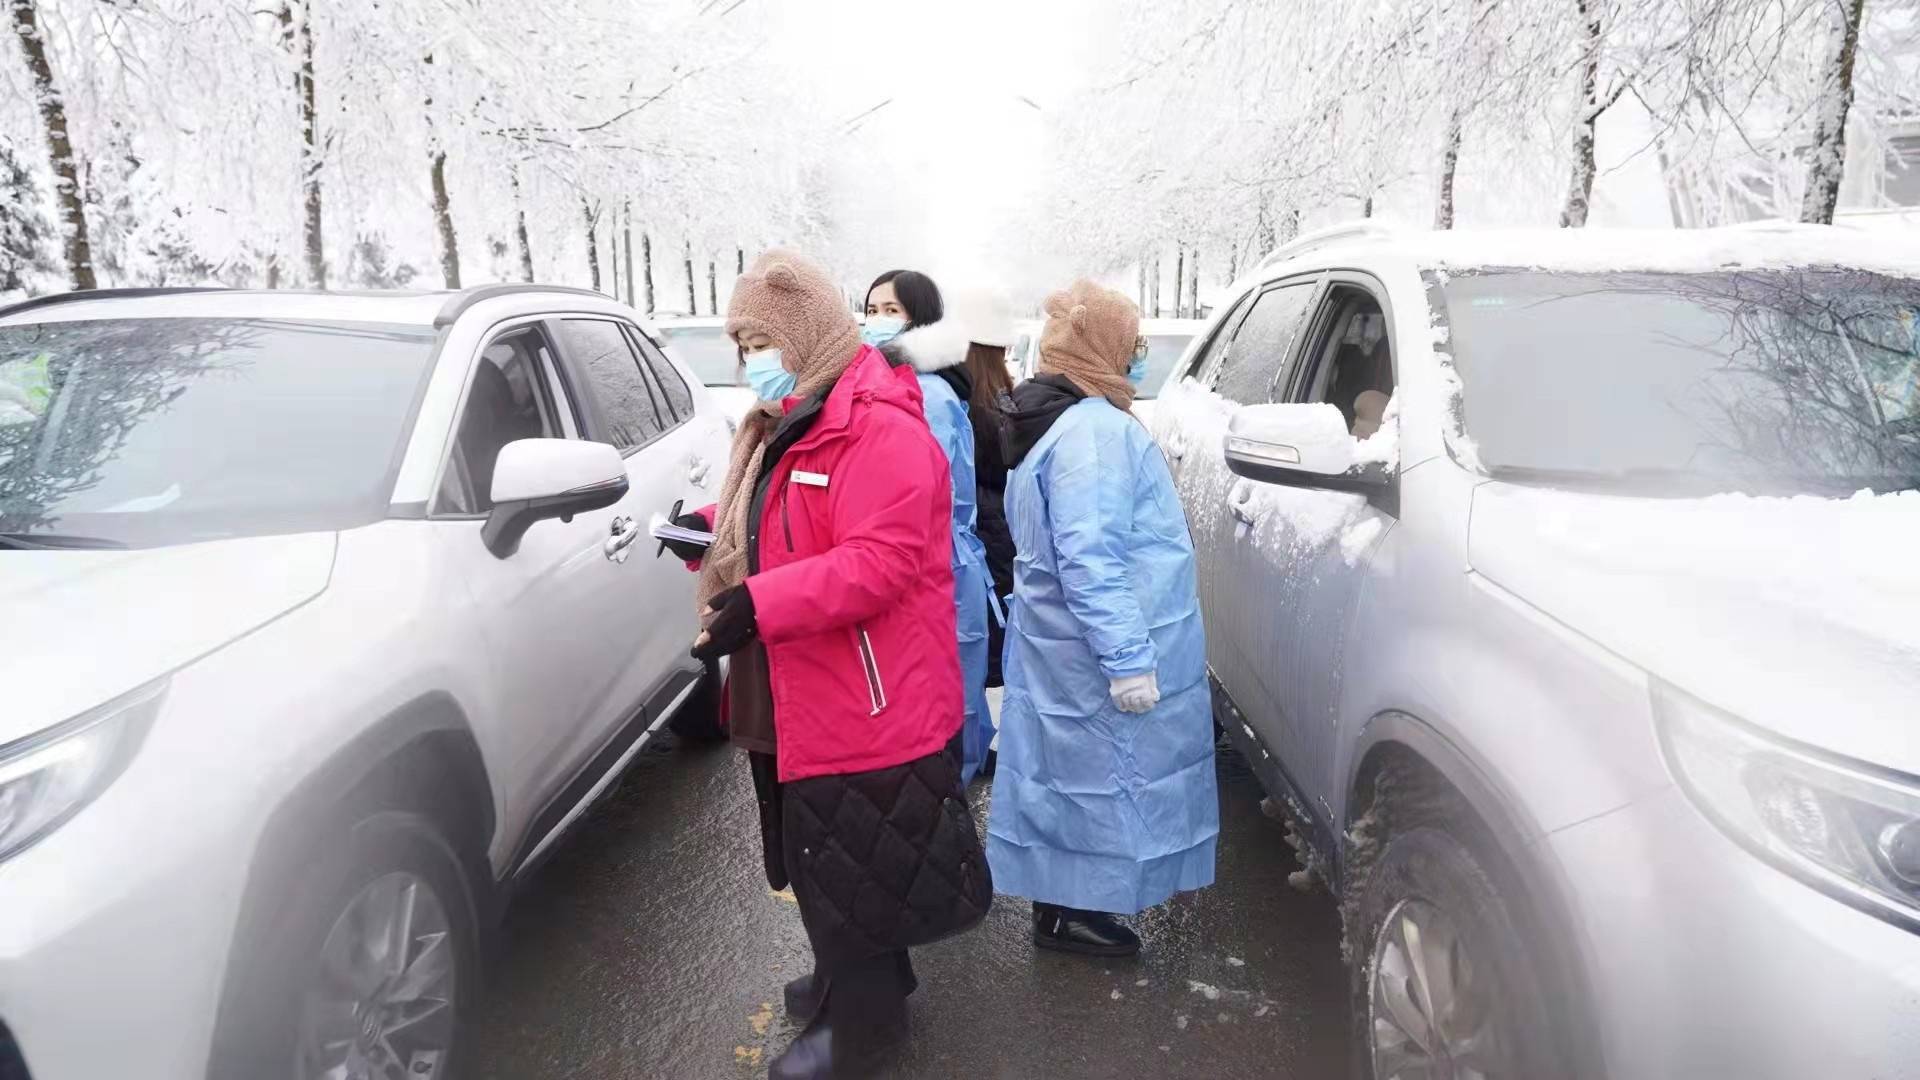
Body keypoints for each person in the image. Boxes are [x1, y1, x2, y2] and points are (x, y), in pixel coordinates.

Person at [668, 250, 991, 1079]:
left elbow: (879, 561)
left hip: (860, 690)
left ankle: (861, 1028)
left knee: (845, 853)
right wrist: (709, 525)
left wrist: (761, 602)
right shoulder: (790, 421)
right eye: (740, 345)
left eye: (762, 341)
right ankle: (856, 979)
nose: (750, 363)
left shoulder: (877, 425)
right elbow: (780, 512)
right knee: (816, 850)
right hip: (796, 676)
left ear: (808, 333)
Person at [985, 279, 1218, 958]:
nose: (1140, 357)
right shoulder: (1094, 433)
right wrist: (1128, 660)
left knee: (1071, 777)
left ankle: (1063, 908)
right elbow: (1092, 556)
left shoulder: (1067, 422)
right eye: (1133, 343)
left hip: (1065, 642)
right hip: (1095, 650)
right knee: (1101, 781)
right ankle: (1070, 913)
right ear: (1103, 348)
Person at [863, 270, 996, 786]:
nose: (876, 322)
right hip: (922, 558)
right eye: (871, 310)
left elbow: (924, 494)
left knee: (948, 698)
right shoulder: (888, 381)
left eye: (890, 311)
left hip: (935, 560)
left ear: (921, 316)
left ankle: (952, 803)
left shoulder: (929, 394)